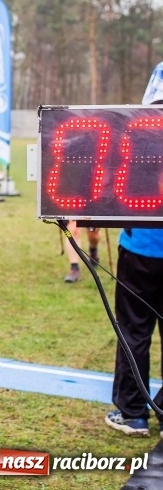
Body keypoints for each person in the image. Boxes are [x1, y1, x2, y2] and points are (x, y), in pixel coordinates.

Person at [104, 70, 163, 437]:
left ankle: (133, 413)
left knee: (134, 331)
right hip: (141, 246)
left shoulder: (136, 130)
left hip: (140, 249)